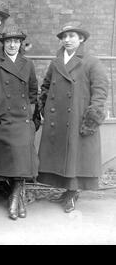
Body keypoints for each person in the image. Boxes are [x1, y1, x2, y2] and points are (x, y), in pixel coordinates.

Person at [37, 21, 108, 213]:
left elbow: (100, 90)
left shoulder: (91, 62)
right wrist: (43, 106)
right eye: (64, 37)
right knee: (62, 156)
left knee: (75, 156)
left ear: (81, 39)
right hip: (57, 116)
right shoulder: (56, 61)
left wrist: (92, 116)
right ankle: (66, 190)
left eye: (71, 36)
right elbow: (46, 85)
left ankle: (72, 193)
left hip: (78, 115)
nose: (67, 40)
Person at [0, 25, 39, 220]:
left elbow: (33, 92)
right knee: (13, 149)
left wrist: (31, 115)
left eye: (16, 41)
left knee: (23, 145)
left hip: (22, 117)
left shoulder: (27, 64)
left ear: (20, 44)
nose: (12, 44)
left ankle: (15, 196)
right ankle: (17, 196)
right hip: (0, 118)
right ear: (3, 44)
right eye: (8, 41)